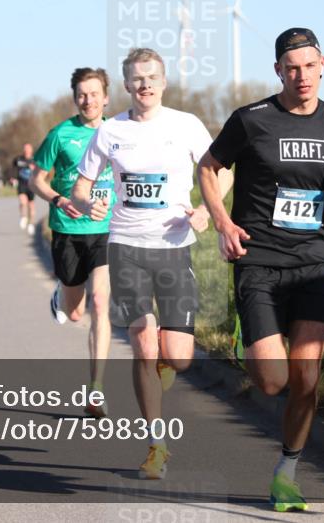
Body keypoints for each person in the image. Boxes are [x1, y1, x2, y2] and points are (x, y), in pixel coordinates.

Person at [196, 28, 324, 512]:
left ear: (323, 65)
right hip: (259, 259)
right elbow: (208, 168)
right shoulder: (251, 120)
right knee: (272, 380)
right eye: (291, 68)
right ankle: (248, 335)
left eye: (309, 65)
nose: (301, 76)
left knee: (307, 375)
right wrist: (221, 220)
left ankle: (287, 472)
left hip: (314, 260)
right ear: (278, 71)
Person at [72, 48, 232, 480]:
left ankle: (166, 364)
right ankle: (156, 446)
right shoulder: (109, 132)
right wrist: (86, 204)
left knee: (177, 358)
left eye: (152, 78)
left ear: (164, 82)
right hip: (126, 246)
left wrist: (208, 209)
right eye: (137, 79)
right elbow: (82, 186)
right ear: (125, 85)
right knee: (144, 342)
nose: (145, 85)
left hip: (174, 246)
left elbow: (223, 170)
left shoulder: (187, 126)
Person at [30, 67, 115, 418]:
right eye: (82, 94)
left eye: (94, 93)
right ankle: (61, 294)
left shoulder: (118, 132)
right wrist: (56, 199)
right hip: (67, 229)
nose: (88, 100)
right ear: (74, 98)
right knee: (76, 310)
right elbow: (37, 179)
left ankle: (96, 389)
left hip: (107, 230)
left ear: (106, 97)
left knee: (99, 302)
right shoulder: (60, 134)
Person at [12, 143, 37, 235]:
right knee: (22, 202)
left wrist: (34, 169)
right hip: (21, 184)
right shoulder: (18, 159)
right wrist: (13, 177)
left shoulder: (35, 160)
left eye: (28, 148)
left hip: (31, 185)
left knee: (31, 205)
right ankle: (23, 217)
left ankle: (31, 224)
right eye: (25, 148)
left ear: (31, 150)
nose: (26, 150)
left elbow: (40, 171)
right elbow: (13, 169)